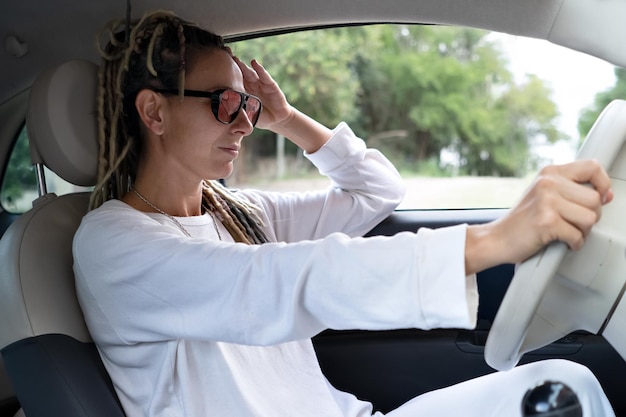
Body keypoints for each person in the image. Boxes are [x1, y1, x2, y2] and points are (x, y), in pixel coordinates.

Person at [73, 9, 616, 417]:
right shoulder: (114, 243)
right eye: (225, 104)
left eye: (250, 107)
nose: (244, 123)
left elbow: (376, 191)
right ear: (154, 111)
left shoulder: (239, 213)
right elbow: (281, 281)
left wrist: (285, 119)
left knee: (566, 384)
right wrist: (494, 240)